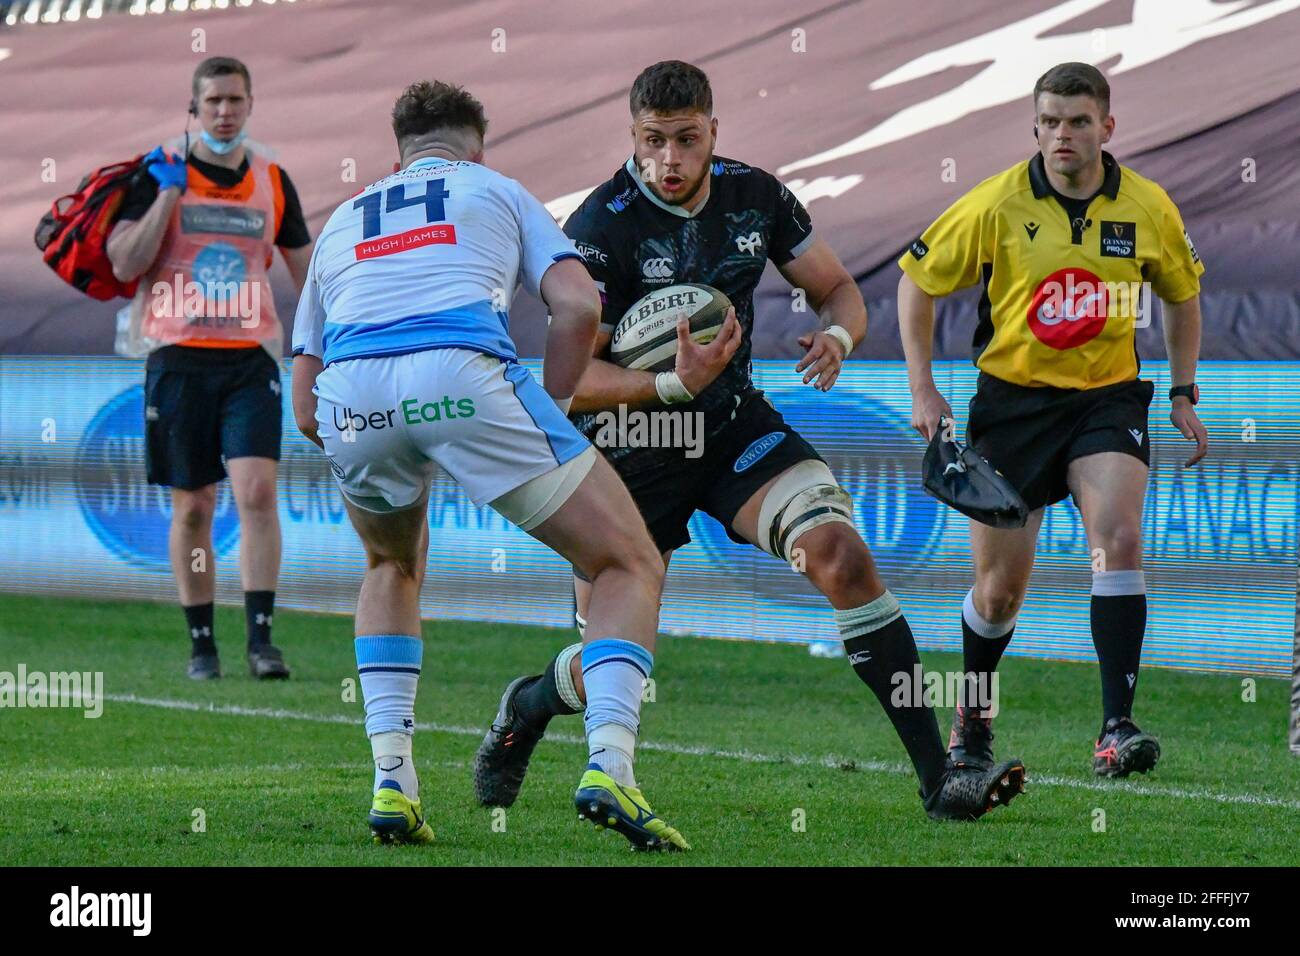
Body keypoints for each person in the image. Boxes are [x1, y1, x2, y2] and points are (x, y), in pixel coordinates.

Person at [472, 60, 1026, 822]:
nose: (669, 160)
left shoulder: (756, 196)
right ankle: (527, 708)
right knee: (610, 666)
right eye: (653, 142)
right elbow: (568, 384)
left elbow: (838, 288)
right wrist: (670, 385)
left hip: (734, 430)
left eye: (686, 140)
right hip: (628, 451)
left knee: (842, 556)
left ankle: (942, 781)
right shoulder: (599, 229)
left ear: (713, 133)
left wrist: (836, 332)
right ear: (633, 137)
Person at [291, 80, 688, 850]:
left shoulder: (342, 221)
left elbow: (304, 404)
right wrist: (550, 406)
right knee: (627, 562)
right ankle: (609, 762)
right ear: (477, 146)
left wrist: (384, 430)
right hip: (462, 370)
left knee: (390, 567)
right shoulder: (494, 188)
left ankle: (394, 783)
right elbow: (576, 306)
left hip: (351, 394)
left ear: (399, 149)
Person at [896, 62, 1208, 778]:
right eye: (1048, 121)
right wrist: (922, 388)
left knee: (1119, 538)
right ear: (1034, 126)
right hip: (1012, 407)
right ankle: (972, 721)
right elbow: (918, 281)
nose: (1061, 134)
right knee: (1001, 591)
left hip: (1108, 398)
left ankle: (1115, 727)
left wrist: (1184, 391)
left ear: (1107, 126)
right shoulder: (997, 202)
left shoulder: (1149, 206)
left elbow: (1181, 295)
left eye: (1076, 120)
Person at [107, 56, 312, 681]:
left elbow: (306, 273)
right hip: (176, 357)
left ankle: (261, 641)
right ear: (193, 109)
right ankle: (202, 644)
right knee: (193, 506)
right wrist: (168, 192)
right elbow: (123, 263)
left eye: (235, 100)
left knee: (256, 492)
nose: (225, 111)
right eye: (213, 101)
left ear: (250, 104)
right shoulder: (157, 171)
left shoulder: (272, 176)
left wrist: (319, 344)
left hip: (251, 360)